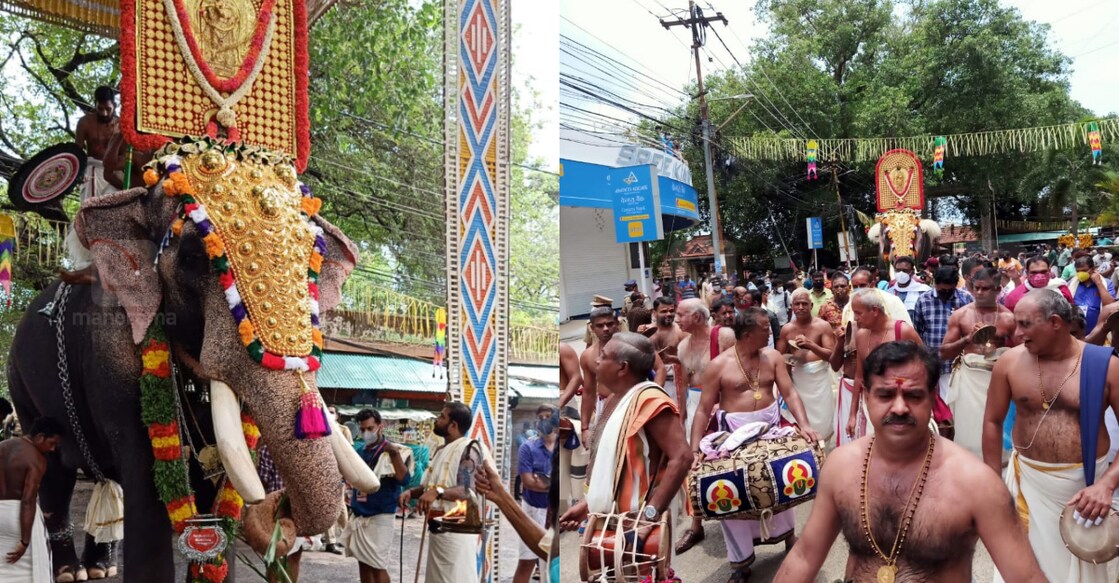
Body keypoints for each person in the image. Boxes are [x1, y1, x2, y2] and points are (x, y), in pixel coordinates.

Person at [773, 342, 1046, 583]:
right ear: (867, 397)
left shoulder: (976, 483)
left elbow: (1026, 577)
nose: (900, 408)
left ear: (932, 400)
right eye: (886, 395)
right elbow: (806, 556)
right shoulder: (841, 466)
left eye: (914, 396)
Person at [983, 290, 1119, 583]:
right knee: (1022, 565)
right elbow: (993, 422)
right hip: (1027, 483)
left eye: (1025, 325)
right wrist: (991, 483)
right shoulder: (1009, 363)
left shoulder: (1105, 366)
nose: (1017, 334)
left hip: (1085, 490)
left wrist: (1106, 486)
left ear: (1055, 322)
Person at [690, 308, 822, 581]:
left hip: (772, 427)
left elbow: (789, 392)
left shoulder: (772, 357)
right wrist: (694, 449)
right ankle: (740, 564)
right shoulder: (719, 365)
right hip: (733, 435)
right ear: (748, 334)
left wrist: (805, 425)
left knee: (785, 482)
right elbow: (703, 410)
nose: (771, 330)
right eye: (766, 327)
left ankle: (788, 538)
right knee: (733, 495)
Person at [558, 333, 693, 574]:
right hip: (612, 524)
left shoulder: (650, 400)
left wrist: (649, 516)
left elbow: (682, 457)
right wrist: (588, 504)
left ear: (622, 367)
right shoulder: (615, 398)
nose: (596, 361)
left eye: (603, 356)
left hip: (635, 528)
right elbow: (614, 466)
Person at [398, 402, 494, 583]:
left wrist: (437, 492)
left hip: (458, 531)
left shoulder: (468, 449)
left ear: (453, 425)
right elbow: (430, 486)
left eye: (442, 416)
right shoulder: (441, 450)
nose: (437, 420)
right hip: (438, 528)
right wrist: (412, 492)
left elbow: (468, 490)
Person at [671, 298, 735, 554]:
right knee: (694, 464)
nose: (676, 319)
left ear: (697, 317)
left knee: (729, 462)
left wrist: (727, 402)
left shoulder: (724, 336)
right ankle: (696, 525)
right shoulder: (683, 345)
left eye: (680, 314)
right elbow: (682, 382)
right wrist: (681, 415)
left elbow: (739, 369)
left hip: (725, 404)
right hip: (696, 404)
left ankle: (741, 519)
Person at [940, 268, 1016, 458]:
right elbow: (944, 353)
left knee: (1000, 431)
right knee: (969, 432)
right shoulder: (960, 315)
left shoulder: (1009, 318)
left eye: (986, 289)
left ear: (998, 290)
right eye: (977, 288)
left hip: (998, 381)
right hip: (969, 381)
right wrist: (967, 339)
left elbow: (1023, 353)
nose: (980, 293)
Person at [341, 409, 411, 583]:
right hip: (360, 515)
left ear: (381, 426)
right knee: (363, 564)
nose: (366, 433)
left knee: (378, 566)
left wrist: (393, 453)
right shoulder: (360, 451)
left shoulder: (394, 450)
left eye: (370, 428)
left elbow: (404, 479)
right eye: (363, 429)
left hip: (381, 517)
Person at [579, 306, 666, 446]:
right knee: (609, 451)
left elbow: (660, 369)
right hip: (605, 408)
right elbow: (588, 393)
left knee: (641, 449)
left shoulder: (636, 344)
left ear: (617, 323)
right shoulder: (587, 356)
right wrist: (585, 428)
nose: (606, 328)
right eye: (600, 325)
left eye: (610, 324)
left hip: (636, 402)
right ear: (592, 328)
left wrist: (652, 397)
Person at [846, 288, 923, 438]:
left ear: (874, 310)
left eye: (858, 313)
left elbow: (925, 367)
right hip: (872, 406)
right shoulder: (861, 336)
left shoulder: (903, 331)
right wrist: (852, 415)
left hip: (903, 406)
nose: (855, 318)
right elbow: (859, 376)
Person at [0, 417, 62, 583]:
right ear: (40, 436)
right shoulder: (36, 459)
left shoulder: (2, 447)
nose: (53, 449)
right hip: (20, 519)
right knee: (29, 572)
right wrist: (25, 542)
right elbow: (28, 500)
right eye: (52, 443)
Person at [776, 289, 837, 443]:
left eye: (804, 304)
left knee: (824, 419)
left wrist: (811, 346)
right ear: (792, 307)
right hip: (798, 382)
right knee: (801, 418)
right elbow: (778, 358)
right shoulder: (787, 329)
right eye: (797, 304)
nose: (801, 307)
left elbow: (832, 356)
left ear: (811, 305)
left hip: (820, 383)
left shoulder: (823, 326)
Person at [914, 266, 974, 400]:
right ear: (935, 283)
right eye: (942, 291)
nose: (946, 294)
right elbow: (918, 331)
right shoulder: (923, 300)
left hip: (959, 363)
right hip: (933, 362)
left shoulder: (966, 299)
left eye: (949, 290)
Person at [513, 406, 555, 583]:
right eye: (540, 417)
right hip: (532, 511)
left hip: (554, 511)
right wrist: (554, 484)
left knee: (552, 563)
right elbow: (529, 482)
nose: (544, 420)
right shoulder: (527, 447)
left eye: (548, 416)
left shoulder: (563, 444)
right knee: (527, 561)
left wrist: (545, 482)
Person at [74, 86, 120, 202]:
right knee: (91, 208)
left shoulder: (121, 125)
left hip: (115, 173)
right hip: (93, 170)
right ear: (95, 105)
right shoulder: (85, 122)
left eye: (108, 109)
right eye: (100, 108)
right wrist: (77, 175)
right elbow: (77, 151)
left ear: (114, 106)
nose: (104, 113)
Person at [840, 267, 912, 329]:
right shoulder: (848, 308)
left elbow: (904, 327)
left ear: (872, 285)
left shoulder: (892, 300)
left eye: (862, 285)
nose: (859, 289)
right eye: (855, 286)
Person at [1002, 255, 1073, 312]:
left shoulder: (1061, 288)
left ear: (1049, 271)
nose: (1039, 276)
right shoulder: (1014, 297)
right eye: (1034, 272)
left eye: (1043, 271)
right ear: (1027, 273)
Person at [1070, 255, 1116, 333]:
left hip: (1098, 331)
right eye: (1078, 271)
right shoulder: (1072, 283)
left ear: (1093, 269)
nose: (1080, 274)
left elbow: (1111, 306)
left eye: (1084, 271)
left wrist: (1098, 283)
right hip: (1076, 331)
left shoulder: (1106, 283)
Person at [888, 256, 932, 320]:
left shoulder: (924, 291)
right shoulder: (889, 293)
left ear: (912, 272)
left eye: (905, 270)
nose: (901, 273)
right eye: (898, 270)